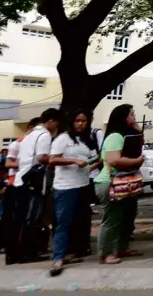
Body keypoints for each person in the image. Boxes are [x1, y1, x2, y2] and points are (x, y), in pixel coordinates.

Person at [5, 109, 60, 265]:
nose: (56, 126)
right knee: (32, 218)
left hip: (20, 180)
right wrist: (54, 160)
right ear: (51, 121)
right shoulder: (44, 136)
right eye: (56, 122)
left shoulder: (29, 136)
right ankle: (27, 253)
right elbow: (41, 157)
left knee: (18, 219)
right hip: (33, 182)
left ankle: (13, 254)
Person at [47, 110, 98, 276]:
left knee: (80, 222)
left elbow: (91, 161)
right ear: (72, 122)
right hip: (65, 187)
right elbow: (52, 159)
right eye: (77, 120)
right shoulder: (63, 139)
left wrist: (95, 163)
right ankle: (58, 258)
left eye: (83, 121)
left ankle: (73, 252)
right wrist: (74, 160)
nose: (80, 124)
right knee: (64, 222)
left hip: (83, 185)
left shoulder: (87, 141)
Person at [94, 105, 145, 265]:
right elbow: (114, 160)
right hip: (111, 182)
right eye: (132, 114)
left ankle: (122, 247)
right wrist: (137, 161)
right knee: (112, 219)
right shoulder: (115, 136)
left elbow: (138, 140)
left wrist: (137, 127)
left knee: (127, 217)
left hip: (125, 182)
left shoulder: (126, 134)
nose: (134, 117)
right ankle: (105, 253)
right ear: (123, 117)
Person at [0, 117, 40, 256]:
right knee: (9, 218)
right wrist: (28, 164)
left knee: (20, 218)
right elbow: (8, 164)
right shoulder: (17, 144)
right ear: (30, 128)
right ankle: (1, 245)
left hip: (24, 184)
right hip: (13, 184)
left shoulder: (32, 145)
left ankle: (16, 246)